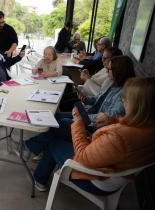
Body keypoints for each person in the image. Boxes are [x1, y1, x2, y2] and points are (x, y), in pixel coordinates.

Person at [27, 77, 155, 195]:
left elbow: (82, 157)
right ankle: (33, 146)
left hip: (97, 179)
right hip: (112, 168)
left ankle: (39, 177)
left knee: (55, 142)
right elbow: (125, 138)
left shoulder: (118, 137)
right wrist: (112, 120)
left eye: (126, 100)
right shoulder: (153, 128)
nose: (123, 102)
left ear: (139, 106)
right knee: (62, 125)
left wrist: (78, 122)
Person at [25, 55, 136, 191]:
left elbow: (106, 118)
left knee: (61, 125)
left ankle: (33, 146)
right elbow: (99, 101)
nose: (106, 71)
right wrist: (85, 100)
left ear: (120, 72)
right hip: (92, 119)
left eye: (109, 69)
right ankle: (39, 167)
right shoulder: (113, 84)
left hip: (93, 126)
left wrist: (81, 118)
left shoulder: (123, 95)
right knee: (57, 116)